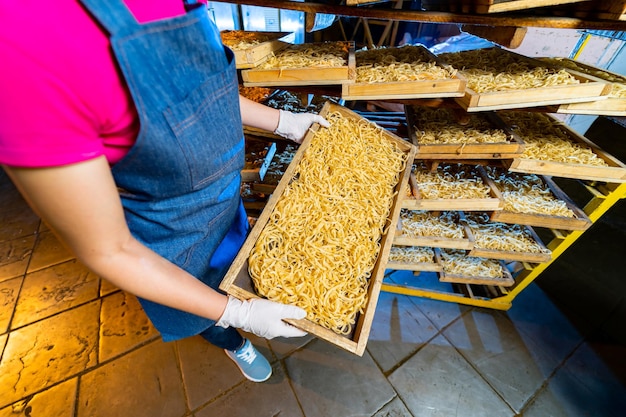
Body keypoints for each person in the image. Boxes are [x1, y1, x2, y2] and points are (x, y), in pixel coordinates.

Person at [0, 0, 330, 383]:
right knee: (200, 307)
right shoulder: (20, 45)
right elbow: (108, 250)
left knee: (239, 270)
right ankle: (232, 341)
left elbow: (201, 92)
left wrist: (284, 122)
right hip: (168, 238)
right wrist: (237, 314)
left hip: (223, 200)